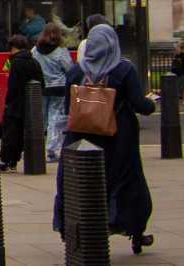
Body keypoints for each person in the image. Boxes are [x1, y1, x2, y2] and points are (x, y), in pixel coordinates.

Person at [52, 24, 158, 255]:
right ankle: (132, 229)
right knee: (126, 181)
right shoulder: (123, 70)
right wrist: (152, 103)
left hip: (80, 138)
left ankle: (71, 229)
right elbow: (140, 104)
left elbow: (68, 107)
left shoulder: (77, 71)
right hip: (117, 138)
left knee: (77, 184)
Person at [0, 34, 43, 171]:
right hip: (30, 104)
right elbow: (41, 83)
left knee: (10, 134)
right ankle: (14, 160)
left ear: (13, 47)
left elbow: (12, 86)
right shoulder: (34, 62)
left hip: (15, 105)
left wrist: (8, 102)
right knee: (23, 134)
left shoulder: (16, 62)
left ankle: (5, 161)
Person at [32, 23, 73, 162]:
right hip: (59, 88)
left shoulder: (35, 50)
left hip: (42, 87)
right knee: (55, 119)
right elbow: (69, 69)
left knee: (41, 118)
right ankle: (51, 150)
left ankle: (37, 148)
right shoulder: (61, 51)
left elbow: (33, 66)